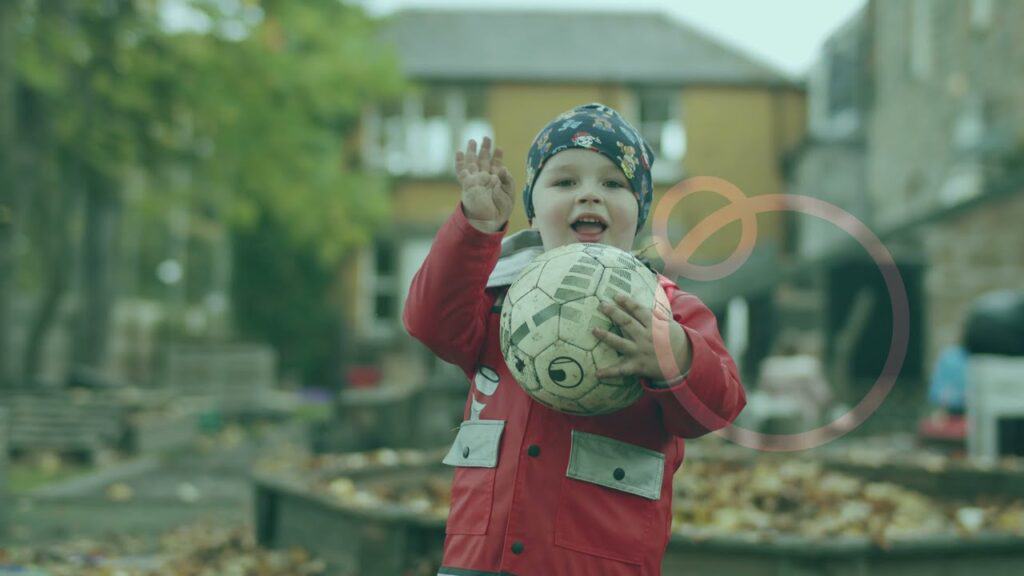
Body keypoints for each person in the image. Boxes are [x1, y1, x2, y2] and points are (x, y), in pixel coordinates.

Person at [403, 103, 747, 576]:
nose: (589, 196)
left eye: (613, 183)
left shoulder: (665, 309)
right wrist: (475, 228)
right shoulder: (497, 296)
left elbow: (722, 402)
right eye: (565, 182)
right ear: (534, 208)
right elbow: (429, 321)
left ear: (639, 210)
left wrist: (675, 355)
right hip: (479, 561)